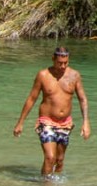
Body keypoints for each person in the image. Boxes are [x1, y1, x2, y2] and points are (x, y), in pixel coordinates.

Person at [13, 46, 92, 178]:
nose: (62, 66)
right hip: (46, 121)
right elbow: (31, 99)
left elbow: (82, 99)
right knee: (50, 157)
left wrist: (86, 122)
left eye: (65, 63)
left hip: (65, 123)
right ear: (53, 59)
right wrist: (20, 123)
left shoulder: (74, 75)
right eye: (59, 63)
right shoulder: (43, 75)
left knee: (59, 161)